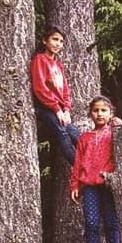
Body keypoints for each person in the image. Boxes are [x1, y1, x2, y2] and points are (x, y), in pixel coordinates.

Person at [70, 95, 121, 243]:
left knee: (111, 224)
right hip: (89, 186)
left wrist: (119, 125)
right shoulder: (84, 138)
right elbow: (77, 163)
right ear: (90, 114)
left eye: (104, 110)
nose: (99, 114)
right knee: (91, 224)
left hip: (108, 185)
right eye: (96, 110)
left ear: (111, 113)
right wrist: (75, 184)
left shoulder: (114, 132)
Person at [30, 25, 81, 164]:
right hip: (45, 107)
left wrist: (66, 109)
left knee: (77, 135)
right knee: (62, 133)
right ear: (44, 41)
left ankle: (95, 163)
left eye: (61, 41)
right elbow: (39, 88)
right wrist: (56, 109)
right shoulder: (40, 60)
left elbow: (65, 89)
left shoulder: (58, 64)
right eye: (54, 39)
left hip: (59, 109)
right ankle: (81, 170)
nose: (58, 44)